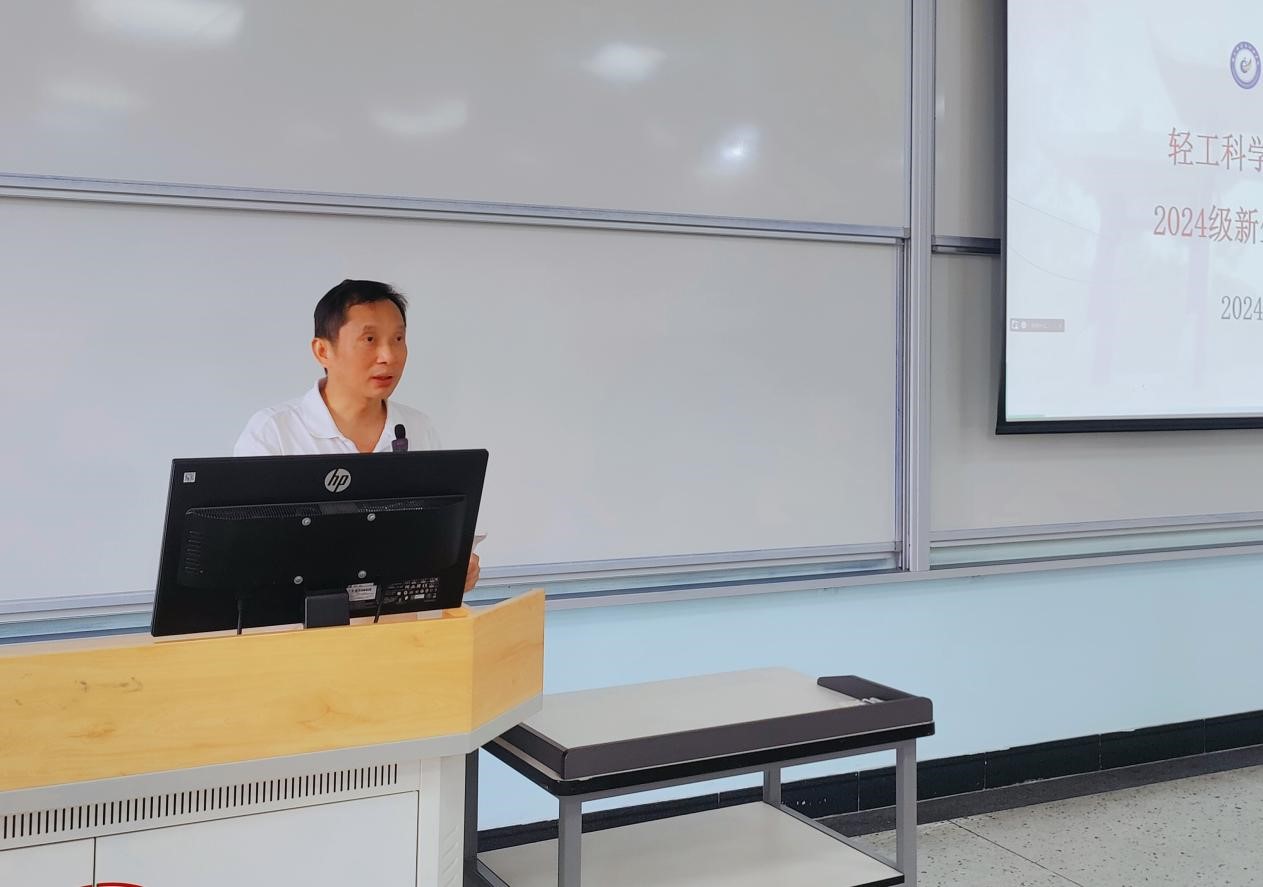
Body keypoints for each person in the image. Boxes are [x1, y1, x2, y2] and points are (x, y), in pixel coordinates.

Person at [234, 279, 479, 591]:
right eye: (369, 339)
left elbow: (441, 535)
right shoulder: (274, 432)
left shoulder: (418, 428)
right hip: (299, 617)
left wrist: (456, 568)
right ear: (323, 350)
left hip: (399, 616)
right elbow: (249, 556)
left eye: (398, 339)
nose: (388, 356)